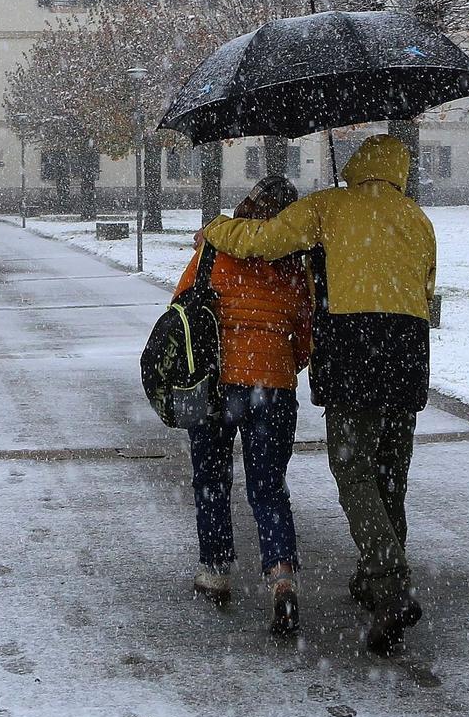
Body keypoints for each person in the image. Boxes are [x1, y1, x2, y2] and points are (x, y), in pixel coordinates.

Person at [202, 135, 435, 655]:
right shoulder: (418, 218)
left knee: (353, 468)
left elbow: (265, 242)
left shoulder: (328, 205)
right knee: (391, 466)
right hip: (409, 351)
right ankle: (373, 577)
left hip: (354, 348)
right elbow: (427, 289)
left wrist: (219, 228)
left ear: (358, 165)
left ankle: (390, 581)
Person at [176, 175, 312, 635]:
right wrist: (280, 361)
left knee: (211, 479)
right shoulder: (295, 262)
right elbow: (306, 335)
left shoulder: (213, 247)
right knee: (268, 487)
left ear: (249, 203)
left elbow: (182, 307)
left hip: (215, 382)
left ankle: (215, 571)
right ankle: (281, 577)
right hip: (272, 386)